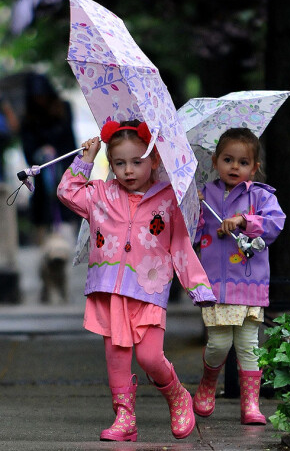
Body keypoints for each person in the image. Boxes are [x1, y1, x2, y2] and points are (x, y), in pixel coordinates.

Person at [57, 119, 216, 442]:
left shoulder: (169, 199)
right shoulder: (100, 195)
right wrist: (86, 159)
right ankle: (124, 417)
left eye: (136, 161)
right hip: (109, 289)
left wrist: (197, 285)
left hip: (148, 289)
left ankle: (176, 394)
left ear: (154, 160)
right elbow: (67, 192)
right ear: (111, 164)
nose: (128, 170)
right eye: (119, 163)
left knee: (148, 357)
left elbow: (180, 244)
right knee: (116, 358)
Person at [193, 127, 286, 425]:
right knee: (219, 344)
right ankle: (209, 381)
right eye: (228, 159)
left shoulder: (261, 196)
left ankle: (251, 404)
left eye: (243, 162)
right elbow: (190, 234)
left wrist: (243, 220)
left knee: (248, 346)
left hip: (250, 284)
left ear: (254, 167)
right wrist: (193, 206)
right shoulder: (205, 195)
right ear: (215, 162)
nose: (235, 167)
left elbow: (274, 224)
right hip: (217, 286)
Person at [20, 72, 77, 245]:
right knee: (43, 204)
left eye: (42, 96)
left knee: (67, 201)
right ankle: (44, 243)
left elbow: (69, 140)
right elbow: (28, 147)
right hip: (42, 169)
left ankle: (68, 240)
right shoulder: (28, 118)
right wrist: (42, 150)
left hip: (64, 164)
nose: (40, 100)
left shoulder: (63, 108)